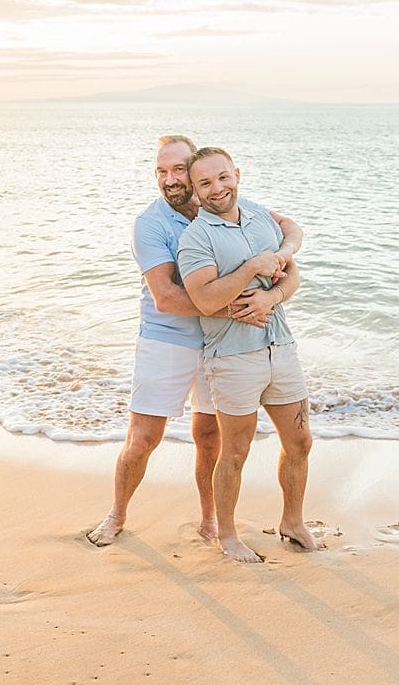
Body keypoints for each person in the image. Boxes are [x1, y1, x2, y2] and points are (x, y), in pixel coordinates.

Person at [86, 135, 302, 547]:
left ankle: (210, 521)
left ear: (197, 171)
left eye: (177, 170)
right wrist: (240, 309)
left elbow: (288, 227)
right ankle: (116, 515)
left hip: (216, 345)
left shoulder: (226, 204)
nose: (169, 180)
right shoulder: (150, 223)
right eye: (160, 172)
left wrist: (282, 264)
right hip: (167, 340)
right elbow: (166, 298)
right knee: (143, 438)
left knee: (209, 438)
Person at [177, 146, 324, 563]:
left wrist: (271, 296)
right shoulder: (196, 238)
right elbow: (204, 300)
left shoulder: (260, 215)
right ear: (194, 188)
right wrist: (249, 268)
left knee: (299, 440)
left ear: (237, 174)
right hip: (233, 358)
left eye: (223, 177)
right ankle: (227, 535)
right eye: (205, 183)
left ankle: (292, 522)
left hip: (281, 347)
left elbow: (293, 259)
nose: (217, 188)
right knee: (235, 451)